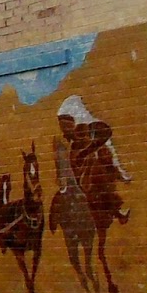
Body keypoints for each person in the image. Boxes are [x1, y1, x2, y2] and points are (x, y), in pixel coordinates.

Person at [55, 95, 130, 224]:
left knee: (104, 163)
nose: (63, 131)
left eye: (65, 126)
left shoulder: (92, 128)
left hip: (97, 162)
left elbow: (106, 132)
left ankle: (116, 208)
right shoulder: (74, 144)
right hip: (82, 176)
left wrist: (86, 152)